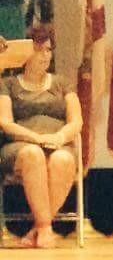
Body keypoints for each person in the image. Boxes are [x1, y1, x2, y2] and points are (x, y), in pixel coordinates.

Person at [0, 31, 82, 249]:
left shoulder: (62, 83)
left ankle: (37, 229)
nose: (46, 55)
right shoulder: (8, 84)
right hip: (20, 146)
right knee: (33, 154)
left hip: (57, 143)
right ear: (26, 53)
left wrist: (59, 137)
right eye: (39, 50)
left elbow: (76, 121)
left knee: (63, 160)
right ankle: (45, 228)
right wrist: (35, 138)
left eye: (48, 50)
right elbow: (5, 122)